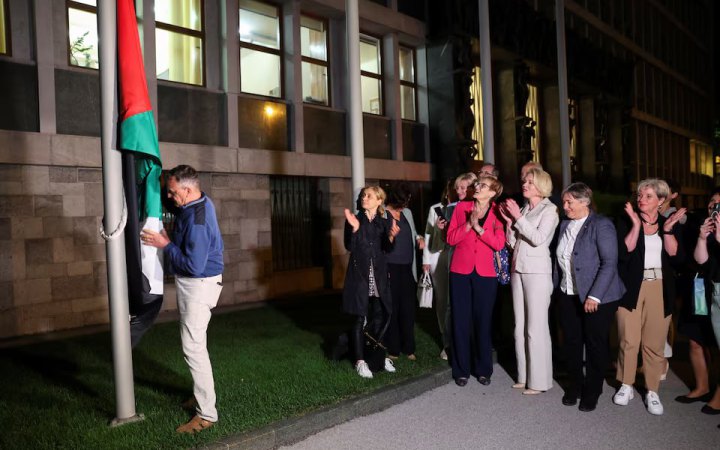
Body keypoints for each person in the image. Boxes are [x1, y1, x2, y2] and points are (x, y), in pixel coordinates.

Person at [141, 165, 224, 434]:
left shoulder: (197, 219)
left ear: (187, 190)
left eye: (173, 192)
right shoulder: (196, 202)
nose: (169, 196)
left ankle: (206, 414)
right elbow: (175, 210)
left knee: (193, 349)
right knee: (194, 346)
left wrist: (165, 245)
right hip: (198, 284)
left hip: (199, 285)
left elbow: (194, 265)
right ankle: (201, 397)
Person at [613, 179, 686, 416]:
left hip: (660, 287)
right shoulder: (625, 221)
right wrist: (636, 225)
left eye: (648, 196)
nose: (641, 199)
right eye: (639, 195)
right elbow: (623, 253)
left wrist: (668, 231)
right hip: (630, 287)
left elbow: (676, 257)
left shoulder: (668, 224)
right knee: (628, 339)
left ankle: (652, 390)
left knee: (654, 343)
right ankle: (626, 384)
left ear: (661, 200)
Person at [553, 183, 625, 412]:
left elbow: (609, 263)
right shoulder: (564, 224)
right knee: (572, 342)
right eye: (564, 202)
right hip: (568, 292)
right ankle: (575, 386)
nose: (565, 206)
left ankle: (593, 390)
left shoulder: (601, 225)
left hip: (598, 295)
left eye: (569, 202)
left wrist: (594, 296)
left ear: (584, 202)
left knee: (595, 343)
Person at [500, 167, 559, 395]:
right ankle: (524, 376)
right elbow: (513, 243)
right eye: (524, 181)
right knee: (520, 327)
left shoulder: (550, 210)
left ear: (541, 186)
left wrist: (517, 217)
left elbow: (538, 239)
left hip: (537, 273)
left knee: (536, 328)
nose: (524, 185)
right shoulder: (525, 209)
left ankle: (540, 381)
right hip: (519, 269)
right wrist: (509, 223)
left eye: (530, 182)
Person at [446, 175, 506, 386]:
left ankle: (483, 369)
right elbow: (450, 238)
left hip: (486, 273)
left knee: (483, 321)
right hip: (460, 271)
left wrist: (478, 228)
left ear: (493, 192)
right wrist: (467, 225)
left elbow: (499, 244)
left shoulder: (498, 212)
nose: (477, 187)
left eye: (482, 185)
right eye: (477, 184)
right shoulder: (462, 207)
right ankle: (461, 370)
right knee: (460, 320)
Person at [342, 186, 399, 378]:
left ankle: (378, 355)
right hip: (360, 276)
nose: (364, 198)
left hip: (379, 275)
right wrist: (355, 229)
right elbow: (349, 246)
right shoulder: (354, 219)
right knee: (359, 317)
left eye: (369, 196)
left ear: (379, 200)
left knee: (379, 315)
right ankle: (360, 360)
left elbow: (387, 249)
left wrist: (391, 237)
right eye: (363, 196)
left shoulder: (385, 221)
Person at [384, 184, 424, 360]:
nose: (406, 204)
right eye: (403, 201)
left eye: (407, 201)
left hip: (407, 267)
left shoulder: (407, 213)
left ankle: (409, 348)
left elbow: (413, 233)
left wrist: (419, 238)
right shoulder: (382, 214)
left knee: (408, 308)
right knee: (392, 309)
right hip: (390, 267)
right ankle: (393, 349)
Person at [690, 188, 720, 415]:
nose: (714, 206)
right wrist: (702, 238)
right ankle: (703, 386)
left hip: (715, 288)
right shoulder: (705, 227)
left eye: (718, 204)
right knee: (698, 337)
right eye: (712, 202)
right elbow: (700, 261)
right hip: (703, 287)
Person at [422, 180, 454, 360]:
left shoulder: (463, 208)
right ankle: (445, 339)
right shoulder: (436, 209)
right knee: (442, 299)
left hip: (456, 256)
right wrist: (426, 260)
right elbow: (428, 234)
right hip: (438, 257)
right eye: (452, 190)